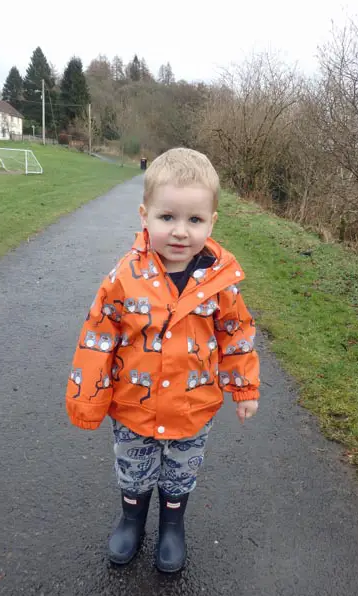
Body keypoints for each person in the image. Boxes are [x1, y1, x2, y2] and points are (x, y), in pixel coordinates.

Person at [66, 147, 260, 573]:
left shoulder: (220, 283)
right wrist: (88, 398)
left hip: (194, 408)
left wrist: (243, 387)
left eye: (194, 220)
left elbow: (237, 335)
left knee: (179, 472)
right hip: (133, 406)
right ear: (144, 215)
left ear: (212, 222)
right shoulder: (124, 278)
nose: (180, 232)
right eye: (167, 217)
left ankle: (173, 525)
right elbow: (98, 336)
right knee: (134, 470)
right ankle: (132, 518)